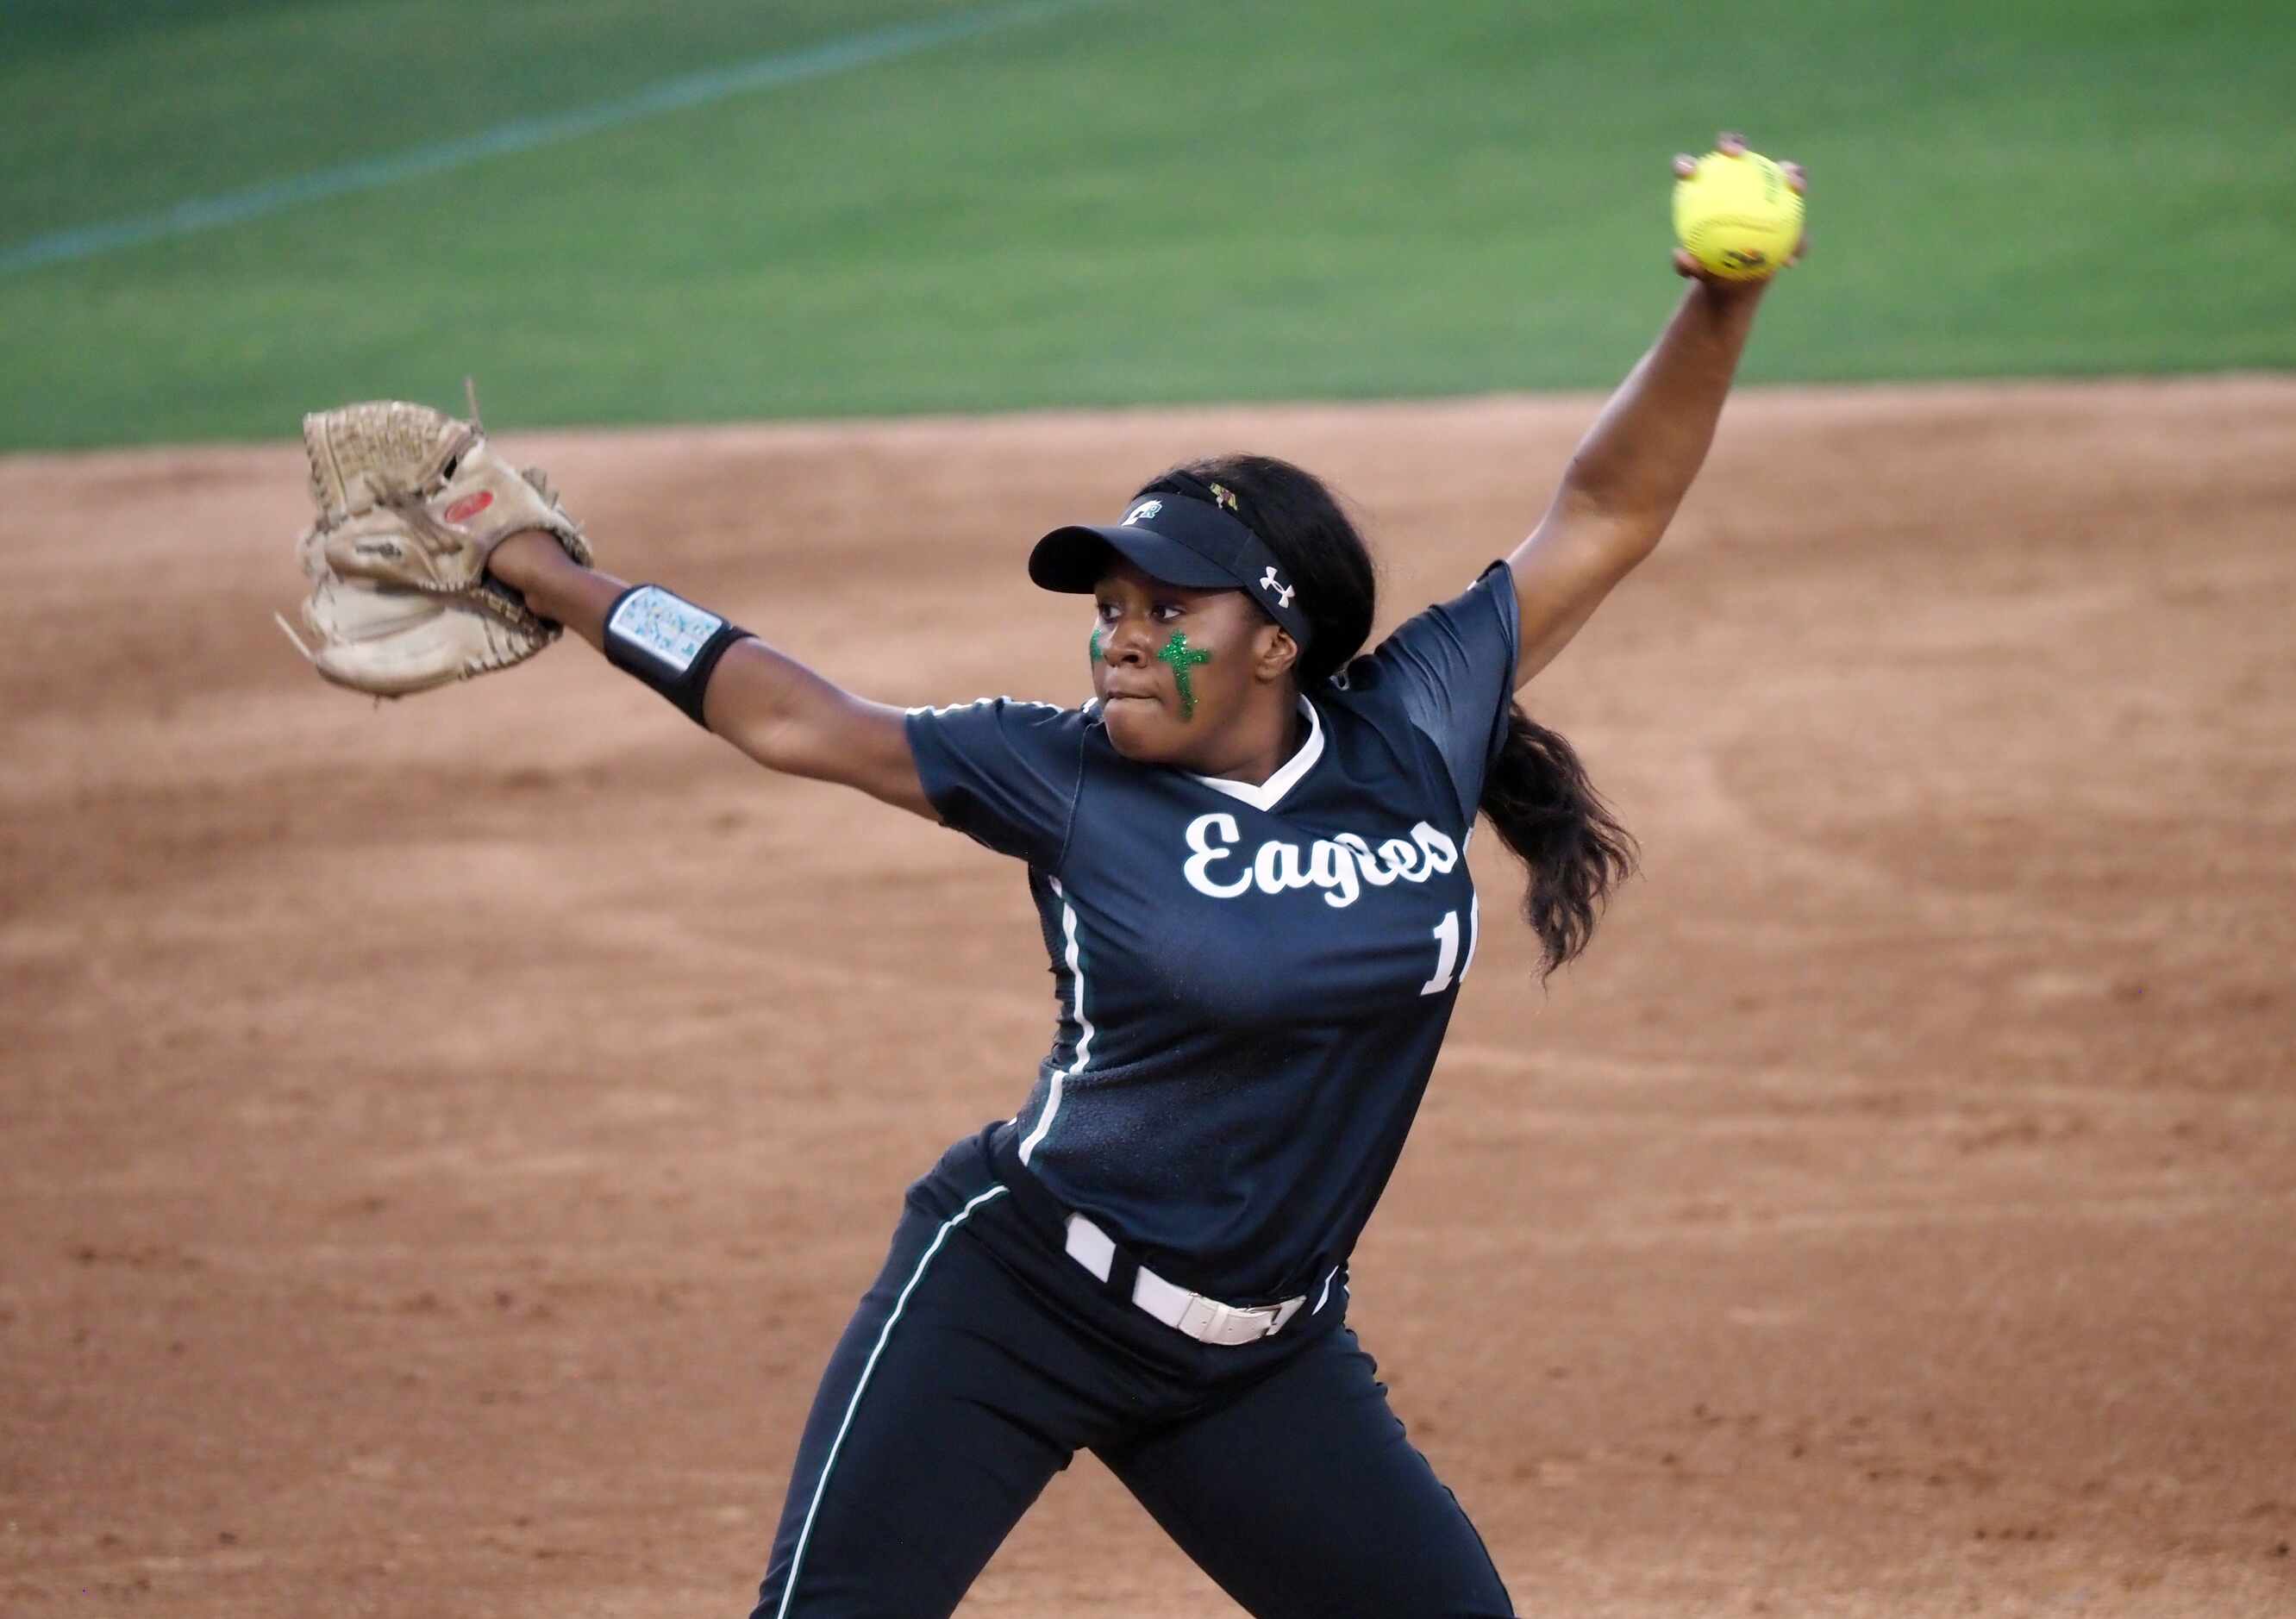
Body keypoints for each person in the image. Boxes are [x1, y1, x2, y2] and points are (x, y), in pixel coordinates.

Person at [483, 134, 1805, 1618]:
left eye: (1165, 604)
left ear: (1276, 641)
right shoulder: (1058, 771)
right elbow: (799, 717)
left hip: (1261, 1357)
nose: (1118, 632)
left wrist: (1720, 304)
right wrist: (552, 576)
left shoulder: (1414, 729)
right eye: (1108, 604)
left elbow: (1607, 513)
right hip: (1019, 1293)